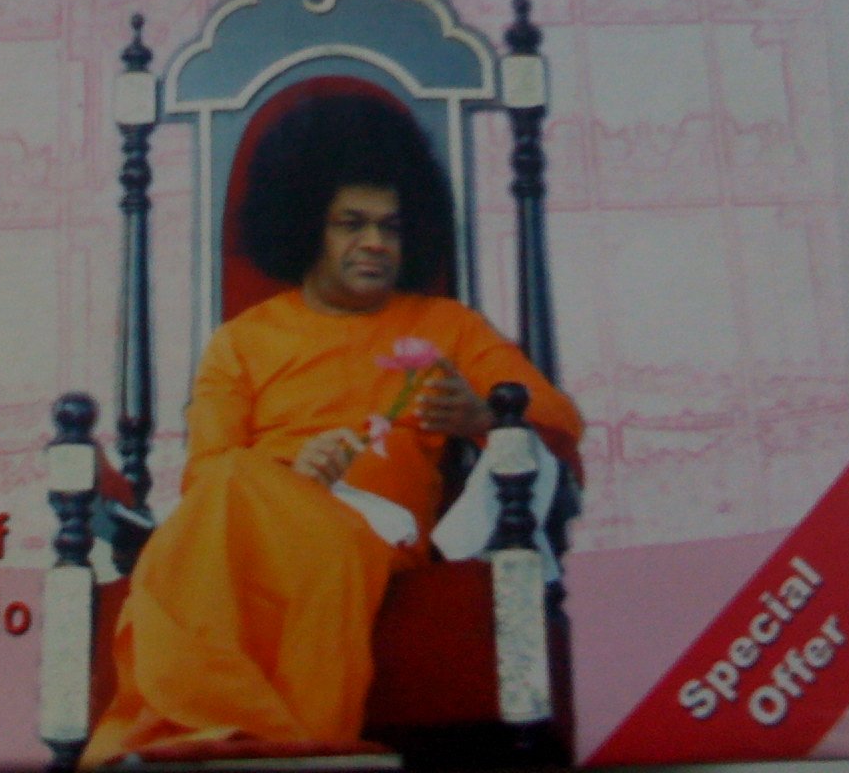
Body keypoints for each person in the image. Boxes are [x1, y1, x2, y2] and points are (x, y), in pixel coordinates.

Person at [80, 94, 583, 767]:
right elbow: (208, 474)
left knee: (243, 498)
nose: (376, 243)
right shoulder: (241, 341)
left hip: (373, 532)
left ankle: (214, 730)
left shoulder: (445, 326)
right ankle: (242, 734)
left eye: (391, 227)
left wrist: (481, 419)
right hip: (255, 522)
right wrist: (294, 476)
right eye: (352, 223)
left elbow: (557, 419)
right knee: (230, 483)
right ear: (306, 227)